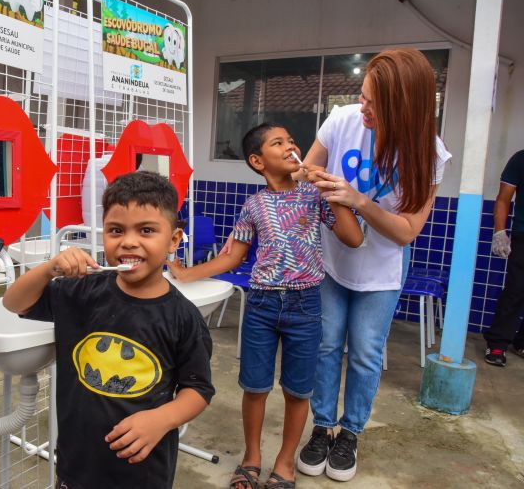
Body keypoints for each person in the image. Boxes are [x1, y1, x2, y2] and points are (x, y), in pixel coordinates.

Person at [167, 123, 363, 489]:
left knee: (298, 390)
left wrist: (329, 189)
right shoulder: (253, 204)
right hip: (261, 305)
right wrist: (185, 273)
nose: (291, 146)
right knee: (255, 387)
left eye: (292, 140)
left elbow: (353, 238)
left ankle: (286, 462)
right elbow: (233, 257)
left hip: (305, 306)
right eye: (279, 143)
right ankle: (252, 457)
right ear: (258, 161)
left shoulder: (314, 196)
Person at [293, 48, 452, 482]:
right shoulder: (342, 119)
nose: (361, 107)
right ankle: (322, 427)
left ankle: (350, 434)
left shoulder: (429, 153)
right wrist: (313, 177)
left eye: (372, 104)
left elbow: (406, 231)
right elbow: (307, 168)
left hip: (380, 272)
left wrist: (359, 200)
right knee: (326, 346)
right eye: (361, 96)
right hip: (330, 259)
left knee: (364, 353)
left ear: (403, 108)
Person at [2, 171, 215, 489]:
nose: (129, 241)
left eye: (146, 230)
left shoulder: (182, 317)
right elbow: (14, 302)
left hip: (142, 472)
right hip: (75, 466)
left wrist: (161, 419)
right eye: (116, 230)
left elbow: (198, 389)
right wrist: (50, 268)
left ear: (173, 240)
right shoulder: (82, 291)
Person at [483, 149, 524, 366]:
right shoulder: (520, 159)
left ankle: (522, 341)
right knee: (516, 290)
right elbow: (503, 199)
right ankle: (497, 342)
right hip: (523, 236)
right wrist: (500, 232)